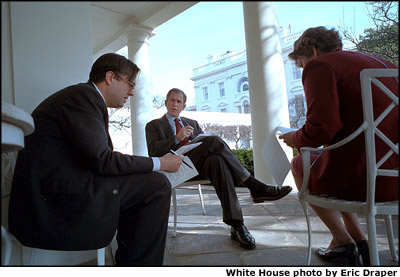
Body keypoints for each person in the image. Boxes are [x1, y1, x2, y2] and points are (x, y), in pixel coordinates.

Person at [8, 53, 184, 266]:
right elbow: (104, 160)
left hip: (62, 189)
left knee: (148, 182)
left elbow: (99, 159)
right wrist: (160, 163)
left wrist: (150, 166)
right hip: (53, 204)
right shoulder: (84, 96)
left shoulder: (84, 98)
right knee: (156, 185)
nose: (132, 92)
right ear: (110, 77)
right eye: (129, 83)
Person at [279, 26, 398, 266]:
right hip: (393, 178)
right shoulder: (386, 65)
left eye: (301, 64)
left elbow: (322, 128)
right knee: (329, 163)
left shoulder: (320, 66)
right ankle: (359, 240)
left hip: (362, 179)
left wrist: (296, 139)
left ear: (312, 51)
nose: (304, 69)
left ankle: (342, 240)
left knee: (300, 163)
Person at [145, 88, 292, 250]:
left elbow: (202, 147)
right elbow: (153, 152)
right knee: (214, 140)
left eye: (178, 101)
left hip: (197, 168)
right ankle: (253, 185)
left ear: (184, 106)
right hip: (174, 170)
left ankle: (237, 225)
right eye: (172, 100)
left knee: (217, 161)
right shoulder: (153, 126)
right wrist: (176, 138)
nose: (175, 104)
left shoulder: (191, 123)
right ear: (165, 103)